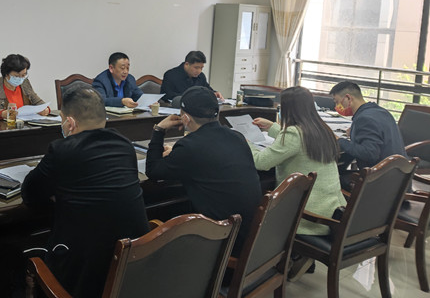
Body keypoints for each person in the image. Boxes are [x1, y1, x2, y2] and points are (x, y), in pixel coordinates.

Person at [21, 86, 149, 298]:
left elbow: (30, 194)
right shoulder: (125, 145)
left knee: (22, 266)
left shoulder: (62, 150)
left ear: (69, 122)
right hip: (132, 273)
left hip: (84, 284)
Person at [145, 86, 261, 254]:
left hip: (221, 242)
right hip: (247, 234)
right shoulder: (237, 137)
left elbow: (153, 170)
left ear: (185, 118)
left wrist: (159, 130)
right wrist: (177, 154)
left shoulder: (189, 147)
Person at [250, 86, 346, 236]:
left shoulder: (293, 134)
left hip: (306, 217)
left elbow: (261, 162)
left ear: (288, 109)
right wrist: (272, 127)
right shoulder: (321, 129)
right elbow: (299, 142)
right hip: (332, 211)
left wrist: (245, 142)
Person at [330, 81, 406, 170]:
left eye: (337, 102)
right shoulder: (380, 111)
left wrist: (339, 141)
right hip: (399, 172)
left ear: (348, 98)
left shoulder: (364, 119)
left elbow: (370, 154)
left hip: (380, 175)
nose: (337, 106)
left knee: (334, 174)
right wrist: (354, 132)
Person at [0, 53, 50, 120]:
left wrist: (46, 110)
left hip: (25, 126)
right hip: (4, 127)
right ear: (6, 74)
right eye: (16, 76)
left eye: (23, 75)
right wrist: (2, 113)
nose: (21, 79)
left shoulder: (25, 83)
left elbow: (39, 102)